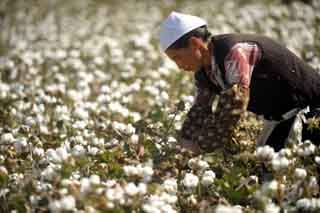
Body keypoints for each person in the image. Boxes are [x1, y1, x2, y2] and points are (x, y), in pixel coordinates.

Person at [158, 11, 320, 155]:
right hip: (282, 117)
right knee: (267, 172)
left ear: (195, 44)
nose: (179, 66)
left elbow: (234, 105)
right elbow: (200, 108)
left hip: (313, 107)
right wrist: (183, 141)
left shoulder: (235, 51)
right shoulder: (204, 73)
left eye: (177, 57)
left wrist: (201, 146)